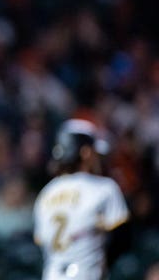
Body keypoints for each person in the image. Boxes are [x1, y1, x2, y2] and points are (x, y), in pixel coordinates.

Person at [33, 119, 130, 280]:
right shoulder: (104, 187)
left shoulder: (45, 193)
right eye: (95, 153)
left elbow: (42, 244)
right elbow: (123, 238)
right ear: (86, 152)